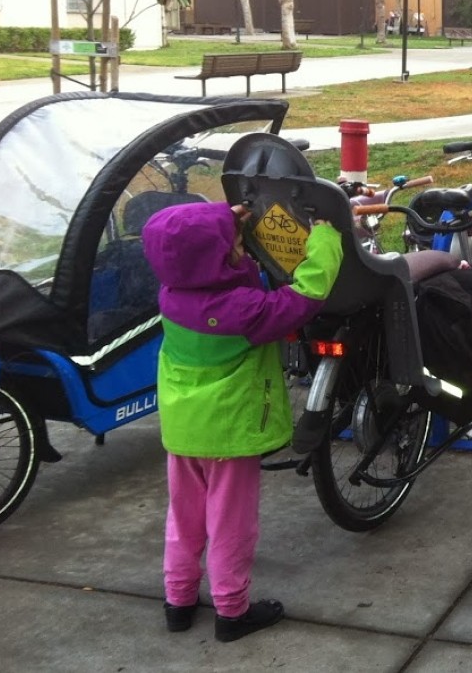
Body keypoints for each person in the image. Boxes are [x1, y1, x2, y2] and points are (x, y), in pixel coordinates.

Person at [141, 201, 343, 643]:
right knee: (231, 524)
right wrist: (325, 239)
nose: (242, 248)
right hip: (228, 432)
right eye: (235, 244)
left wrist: (221, 224)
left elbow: (197, 256)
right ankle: (232, 610)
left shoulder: (172, 291)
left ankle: (178, 601)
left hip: (183, 428)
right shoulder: (245, 311)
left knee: (184, 518)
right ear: (218, 260)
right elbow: (306, 295)